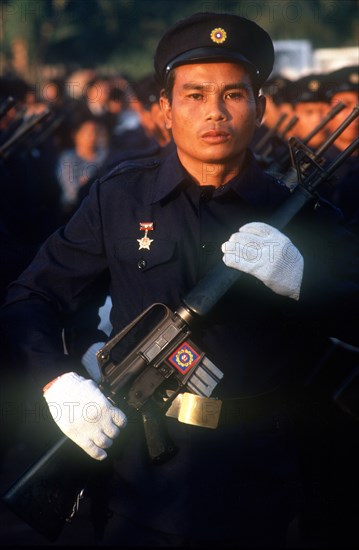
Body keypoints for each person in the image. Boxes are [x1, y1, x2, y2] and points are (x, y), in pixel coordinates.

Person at [0, 12, 358, 548]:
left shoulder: (298, 213)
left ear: (259, 107)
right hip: (142, 477)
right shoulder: (120, 196)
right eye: (194, 95)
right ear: (165, 110)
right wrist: (59, 382)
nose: (214, 112)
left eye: (234, 94)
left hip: (259, 478)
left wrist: (307, 279)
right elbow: (33, 296)